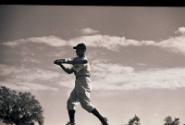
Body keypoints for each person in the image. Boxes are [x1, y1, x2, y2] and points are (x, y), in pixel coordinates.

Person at [54, 43, 109, 125]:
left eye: (78, 49)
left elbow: (70, 71)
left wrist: (61, 64)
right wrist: (61, 62)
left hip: (84, 81)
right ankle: (72, 123)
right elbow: (69, 61)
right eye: (76, 49)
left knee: (86, 105)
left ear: (83, 50)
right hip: (79, 81)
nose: (76, 51)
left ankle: (103, 121)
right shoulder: (77, 59)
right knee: (71, 102)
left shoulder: (83, 60)